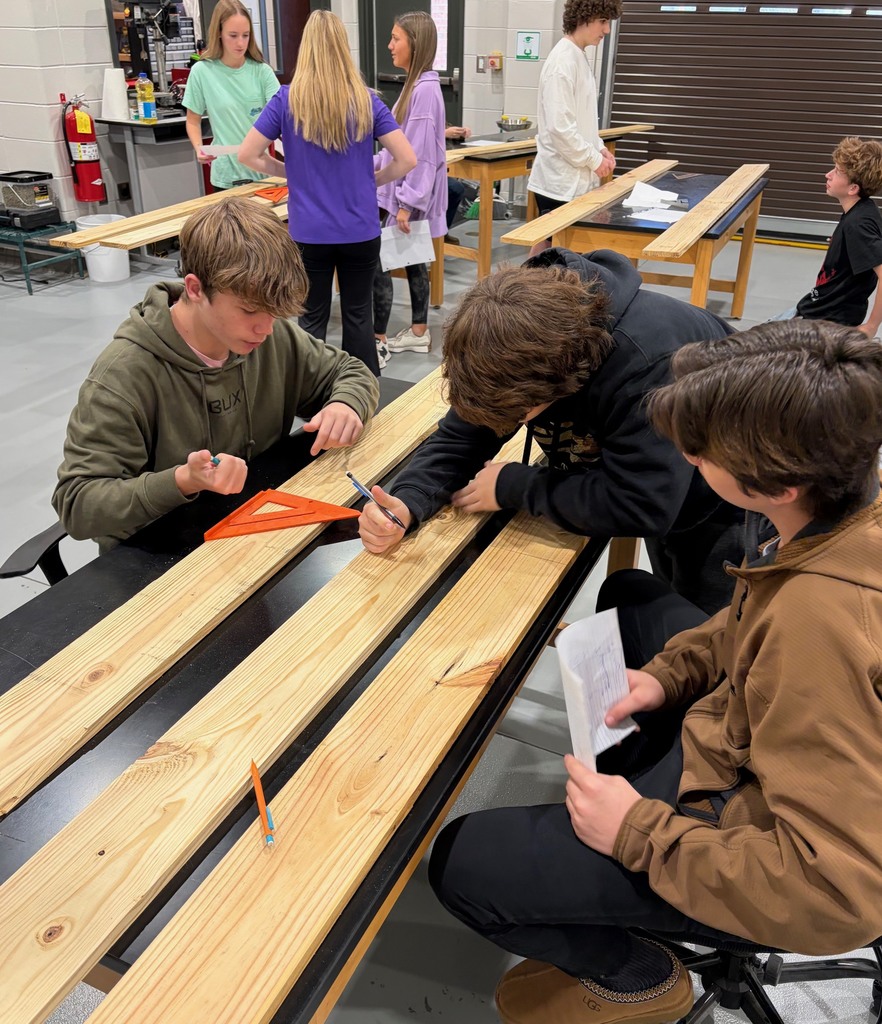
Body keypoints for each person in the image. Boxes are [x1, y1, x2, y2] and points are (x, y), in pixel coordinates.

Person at [428, 319, 882, 1024]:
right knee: (630, 598)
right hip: (739, 737)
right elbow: (741, 624)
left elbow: (836, 892)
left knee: (463, 862)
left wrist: (638, 831)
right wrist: (666, 676)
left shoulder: (821, 627)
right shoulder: (841, 517)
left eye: (702, 453)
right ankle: (640, 777)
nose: (687, 461)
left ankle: (636, 975)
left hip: (765, 850)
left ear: (781, 482)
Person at [359, 248, 743, 615]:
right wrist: (408, 501)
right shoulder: (505, 339)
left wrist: (516, 485)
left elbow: (643, 505)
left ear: (565, 380)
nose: (514, 421)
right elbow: (463, 436)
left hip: (730, 496)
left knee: (706, 631)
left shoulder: (648, 366)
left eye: (520, 413)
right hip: (657, 471)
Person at [53, 198, 379, 551]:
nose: (266, 329)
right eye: (251, 310)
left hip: (250, 526)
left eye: (274, 313)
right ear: (194, 288)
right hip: (162, 554)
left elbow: (351, 371)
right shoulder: (125, 375)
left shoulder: (269, 333)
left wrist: (345, 405)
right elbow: (78, 504)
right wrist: (182, 480)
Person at [239, 10, 416, 376]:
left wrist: (288, 172)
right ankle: (361, 398)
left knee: (312, 320)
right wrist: (374, 181)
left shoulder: (286, 100)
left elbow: (248, 154)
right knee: (357, 317)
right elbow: (407, 159)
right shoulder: (367, 101)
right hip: (359, 231)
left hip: (309, 234)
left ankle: (310, 397)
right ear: (342, 49)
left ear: (307, 50)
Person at [373, 11, 447, 361]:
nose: (390, 45)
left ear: (414, 44)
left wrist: (407, 202)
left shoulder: (424, 91)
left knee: (390, 261)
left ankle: (392, 335)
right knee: (414, 259)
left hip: (409, 199)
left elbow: (420, 154)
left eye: (396, 38)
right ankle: (418, 331)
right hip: (407, 197)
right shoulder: (417, 86)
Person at [527, 0, 621, 258]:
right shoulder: (563, 62)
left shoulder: (577, 56)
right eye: (603, 21)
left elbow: (583, 120)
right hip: (559, 183)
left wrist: (599, 149)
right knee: (551, 256)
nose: (607, 30)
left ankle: (524, 297)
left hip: (572, 178)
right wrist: (593, 159)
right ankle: (521, 298)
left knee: (552, 254)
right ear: (584, 17)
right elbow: (560, 129)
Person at [778, 136, 882, 338]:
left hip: (827, 323)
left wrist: (871, 326)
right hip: (816, 309)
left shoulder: (858, 224)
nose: (828, 175)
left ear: (853, 188)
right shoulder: (862, 210)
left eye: (836, 172)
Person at [183, 0, 280, 191]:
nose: (240, 43)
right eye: (233, 35)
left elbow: (282, 116)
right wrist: (198, 148)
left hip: (262, 175)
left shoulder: (262, 72)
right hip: (225, 176)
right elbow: (192, 121)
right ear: (219, 33)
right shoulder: (201, 72)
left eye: (246, 35)